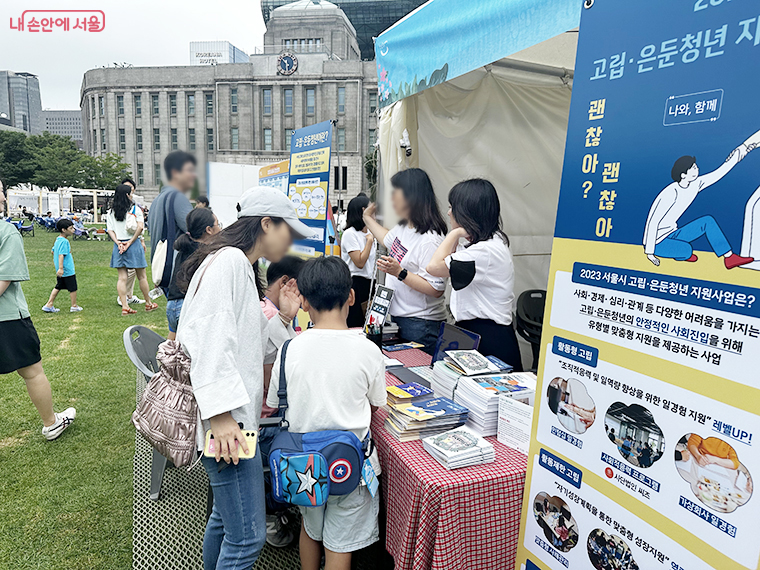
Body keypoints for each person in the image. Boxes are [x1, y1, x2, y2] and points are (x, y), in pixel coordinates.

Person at [176, 187, 310, 570]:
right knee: (248, 538)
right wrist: (220, 418)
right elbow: (207, 339)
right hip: (229, 424)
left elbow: (247, 347)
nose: (292, 240)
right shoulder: (231, 262)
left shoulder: (238, 264)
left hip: (232, 420)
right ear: (266, 224)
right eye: (289, 230)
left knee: (224, 520)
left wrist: (283, 317)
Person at [266, 256, 386, 570]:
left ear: (303, 302)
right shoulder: (368, 351)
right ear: (350, 296)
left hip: (303, 465)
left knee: (310, 527)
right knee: (340, 545)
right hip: (349, 467)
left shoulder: (289, 349)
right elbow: (376, 404)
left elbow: (276, 401)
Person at [0, 188, 76, 440]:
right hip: (8, 318)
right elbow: (5, 279)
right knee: (32, 370)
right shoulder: (6, 231)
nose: (3, 197)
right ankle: (51, 422)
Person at [427, 179, 523, 371]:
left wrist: (453, 234)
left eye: (452, 207)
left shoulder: (484, 252)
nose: (448, 213)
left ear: (467, 211)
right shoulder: (490, 243)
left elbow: (434, 267)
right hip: (478, 332)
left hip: (488, 337)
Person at [363, 168, 448, 353]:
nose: (391, 199)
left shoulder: (430, 239)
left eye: (395, 193)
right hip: (400, 319)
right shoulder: (403, 228)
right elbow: (386, 238)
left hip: (421, 324)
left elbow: (436, 289)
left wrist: (399, 273)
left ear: (411, 195)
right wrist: (367, 218)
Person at [643, 145, 754, 269]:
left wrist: (738, 154)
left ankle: (729, 257)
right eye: (693, 168)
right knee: (687, 249)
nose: (697, 169)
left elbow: (718, 173)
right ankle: (682, 252)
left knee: (707, 221)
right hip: (658, 242)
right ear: (683, 174)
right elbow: (653, 221)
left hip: (673, 233)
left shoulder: (695, 184)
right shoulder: (670, 193)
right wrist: (650, 252)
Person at [259, 255, 305, 549]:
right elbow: (269, 384)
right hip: (265, 422)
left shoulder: (273, 311)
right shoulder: (268, 316)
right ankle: (270, 511)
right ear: (286, 285)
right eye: (303, 291)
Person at [164, 208, 221, 340]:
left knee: (172, 346)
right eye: (218, 224)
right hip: (186, 307)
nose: (220, 229)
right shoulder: (204, 253)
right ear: (209, 230)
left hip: (172, 306)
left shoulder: (185, 247)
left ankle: (163, 360)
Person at [107, 184, 158, 315]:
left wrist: (118, 242)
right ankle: (148, 303)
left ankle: (125, 305)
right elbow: (140, 227)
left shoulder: (111, 212)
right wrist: (130, 241)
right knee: (142, 276)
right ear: (127, 195)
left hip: (119, 246)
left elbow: (110, 230)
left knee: (122, 278)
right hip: (133, 244)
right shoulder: (135, 209)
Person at [148, 151, 196, 288]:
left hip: (163, 270)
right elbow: (196, 229)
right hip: (178, 272)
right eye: (190, 170)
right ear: (175, 172)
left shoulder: (158, 199)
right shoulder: (178, 197)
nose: (194, 175)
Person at [341, 194, 376, 328]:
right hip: (356, 282)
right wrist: (369, 242)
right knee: (356, 324)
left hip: (370, 282)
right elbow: (359, 262)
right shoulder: (350, 234)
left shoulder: (370, 232)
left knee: (370, 324)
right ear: (363, 210)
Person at [42, 219, 83, 313]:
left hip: (62, 270)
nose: (73, 230)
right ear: (64, 230)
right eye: (71, 228)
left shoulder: (58, 239)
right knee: (73, 288)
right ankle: (74, 306)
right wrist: (61, 268)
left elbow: (53, 251)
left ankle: (49, 304)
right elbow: (61, 254)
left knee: (58, 286)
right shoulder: (64, 242)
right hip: (67, 270)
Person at [118, 177, 146, 306]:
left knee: (133, 271)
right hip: (125, 241)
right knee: (128, 272)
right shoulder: (119, 206)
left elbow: (137, 226)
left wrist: (141, 240)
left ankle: (128, 295)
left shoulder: (134, 204)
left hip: (133, 240)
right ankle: (124, 296)